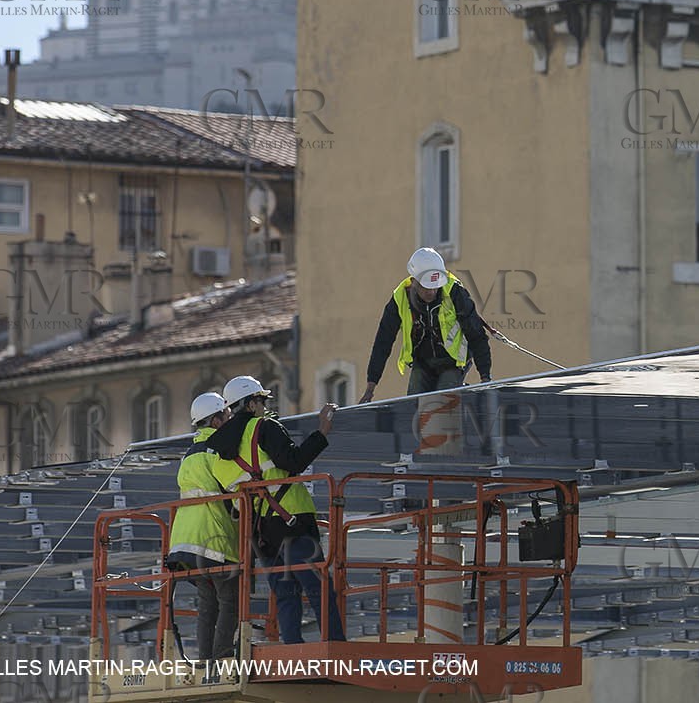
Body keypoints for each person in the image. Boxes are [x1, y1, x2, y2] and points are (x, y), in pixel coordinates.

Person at [208, 375, 345, 645]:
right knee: (317, 586)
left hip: (260, 530)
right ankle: (335, 643)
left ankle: (292, 647)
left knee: (284, 592)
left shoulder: (217, 451)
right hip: (291, 518)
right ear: (249, 404)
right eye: (260, 400)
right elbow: (293, 462)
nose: (263, 406)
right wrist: (322, 431)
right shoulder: (264, 427)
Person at [361, 247, 493, 402]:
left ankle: (459, 392)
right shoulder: (400, 298)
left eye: (435, 286)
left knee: (443, 402)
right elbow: (383, 341)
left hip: (453, 362)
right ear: (413, 281)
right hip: (423, 362)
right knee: (414, 404)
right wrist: (371, 387)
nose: (431, 292)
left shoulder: (454, 292)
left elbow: (475, 333)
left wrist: (485, 377)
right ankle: (459, 392)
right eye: (426, 286)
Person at [165, 392, 239, 660]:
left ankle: (206, 660)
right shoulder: (218, 451)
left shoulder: (189, 454)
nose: (231, 421)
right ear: (217, 421)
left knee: (208, 604)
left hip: (185, 540)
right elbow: (234, 489)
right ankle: (222, 657)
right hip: (213, 537)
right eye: (228, 416)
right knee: (230, 600)